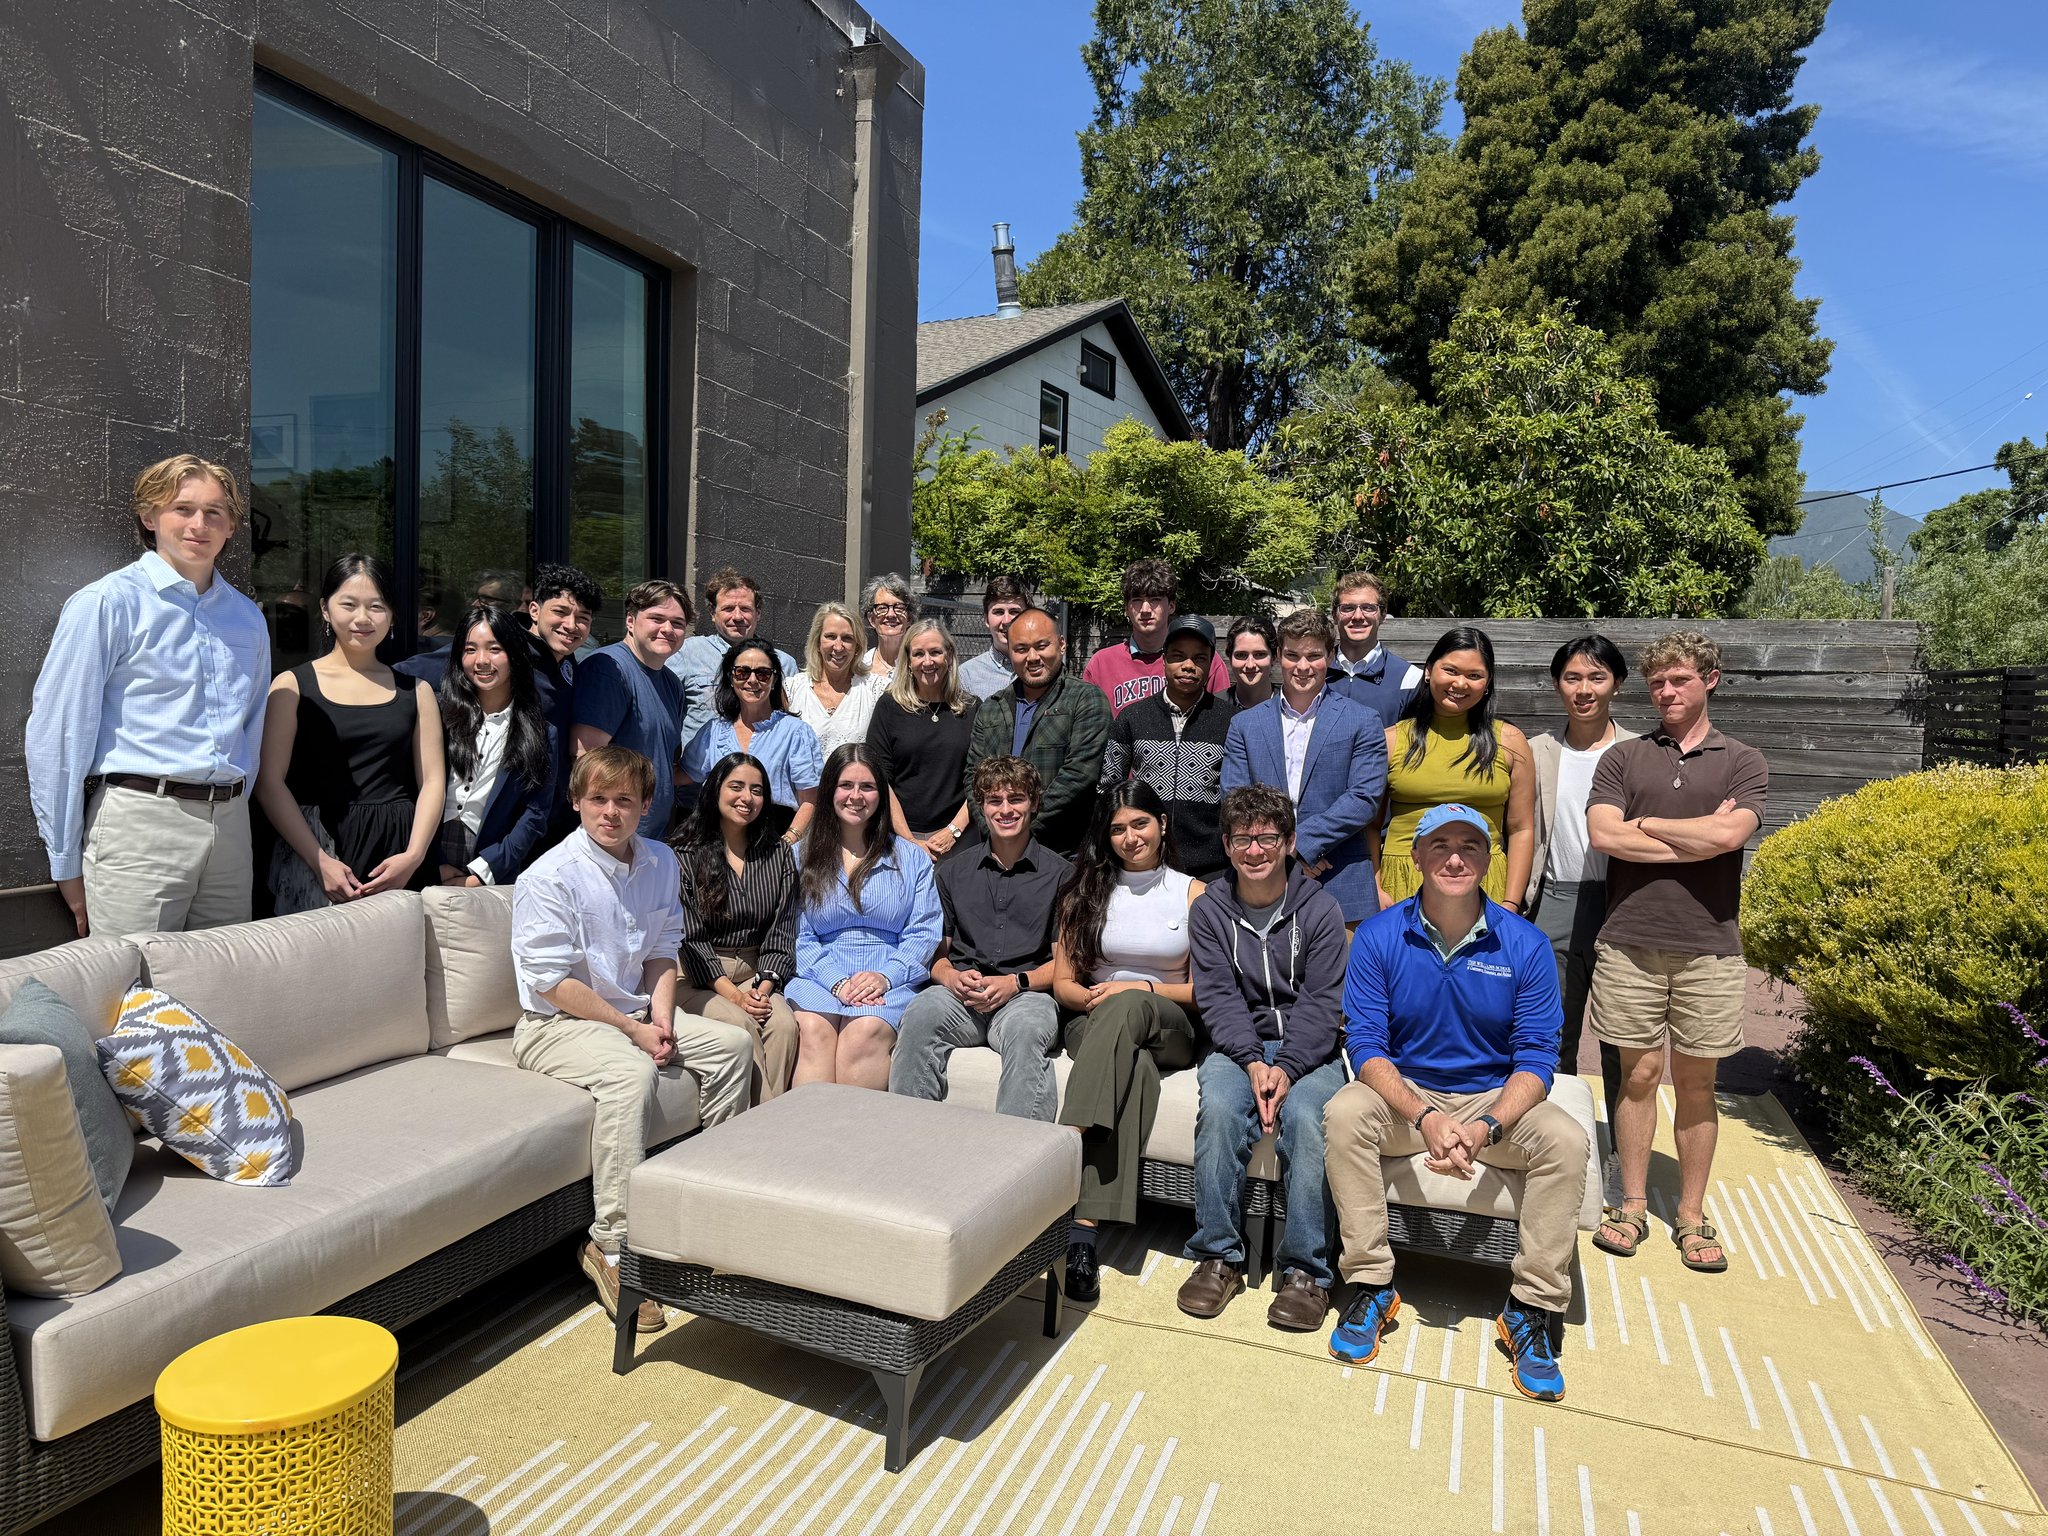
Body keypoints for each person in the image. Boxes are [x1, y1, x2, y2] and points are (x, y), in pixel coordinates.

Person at [1323, 804, 1586, 1403]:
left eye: (1470, 845)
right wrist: (1427, 1116)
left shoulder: (1525, 943)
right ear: (1415, 858)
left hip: (1493, 1097)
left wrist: (1489, 1124)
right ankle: (1370, 1284)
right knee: (1344, 1112)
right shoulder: (1378, 937)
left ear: (1488, 862)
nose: (1455, 857)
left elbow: (1538, 1057)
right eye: (1439, 845)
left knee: (1567, 1140)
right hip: (1409, 1099)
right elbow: (1365, 1045)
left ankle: (1531, 1307)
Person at [511, 745, 753, 1328]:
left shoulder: (662, 862)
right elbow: (550, 984)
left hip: (636, 1013)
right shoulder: (548, 877)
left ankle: (705, 1205)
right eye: (598, 799)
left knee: (733, 1047)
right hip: (556, 1025)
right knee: (631, 1072)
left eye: (624, 800)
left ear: (646, 805)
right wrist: (632, 1031)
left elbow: (662, 952)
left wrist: (662, 1021)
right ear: (576, 802)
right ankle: (612, 1246)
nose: (611, 812)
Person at [1585, 631, 1767, 1275]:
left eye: (1680, 680)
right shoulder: (1625, 758)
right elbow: (1605, 835)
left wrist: (1652, 825)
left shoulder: (1743, 760)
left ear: (1709, 680)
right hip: (1630, 940)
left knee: (1696, 1082)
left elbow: (1731, 833)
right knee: (1635, 1078)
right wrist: (1695, 838)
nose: (1666, 692)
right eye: (1658, 682)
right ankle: (1630, 1205)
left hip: (1710, 946)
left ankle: (1691, 1216)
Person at [27, 454, 268, 938]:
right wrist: (64, 859)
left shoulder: (247, 618)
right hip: (141, 824)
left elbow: (252, 725)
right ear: (149, 516)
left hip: (231, 828)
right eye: (182, 508)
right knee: (134, 988)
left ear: (231, 528)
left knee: (223, 982)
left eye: (215, 512)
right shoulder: (108, 604)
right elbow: (59, 733)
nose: (199, 524)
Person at [1178, 786, 1349, 1329]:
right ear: (1226, 846)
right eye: (1244, 839)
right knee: (1224, 1113)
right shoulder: (1209, 911)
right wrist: (1254, 1062)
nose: (1256, 850)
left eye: (1268, 838)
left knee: (1307, 1118)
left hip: (1310, 1047)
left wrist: (1289, 1066)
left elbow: (1324, 1003)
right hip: (1236, 1046)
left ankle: (1306, 1272)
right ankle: (1218, 1258)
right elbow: (1217, 996)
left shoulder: (1321, 910)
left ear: (1290, 842)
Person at [1053, 781, 1207, 1302]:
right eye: (1117, 829)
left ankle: (1064, 1138)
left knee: (1132, 1004)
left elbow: (1205, 988)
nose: (1129, 837)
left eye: (1139, 823)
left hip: (1170, 1024)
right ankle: (1084, 1235)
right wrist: (1101, 998)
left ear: (1162, 823)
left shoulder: (1192, 892)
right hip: (1094, 1023)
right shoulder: (1085, 892)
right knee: (1134, 1069)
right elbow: (1065, 984)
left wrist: (1138, 987)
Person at [257, 554, 445, 913]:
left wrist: (414, 855)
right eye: (349, 604)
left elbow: (433, 781)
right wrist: (319, 861)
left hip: (396, 851)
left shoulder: (416, 691)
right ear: (326, 611)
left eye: (376, 606)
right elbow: (269, 782)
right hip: (315, 847)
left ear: (392, 616)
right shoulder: (292, 686)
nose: (363, 618)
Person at [890, 756, 1070, 1119]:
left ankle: (1018, 1154)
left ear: (1034, 803)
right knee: (920, 1013)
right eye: (994, 801)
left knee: (1027, 1029)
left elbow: (1064, 965)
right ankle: (908, 1138)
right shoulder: (952, 872)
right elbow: (936, 955)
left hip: (1026, 995)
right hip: (962, 997)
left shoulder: (1062, 874)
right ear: (981, 807)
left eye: (1016, 799)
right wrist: (952, 978)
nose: (1006, 810)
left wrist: (1015, 983)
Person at [1523, 635, 1636, 1131]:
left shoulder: (1641, 751)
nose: (1584, 689)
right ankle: (1559, 1142)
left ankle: (1618, 1155)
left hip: (1623, 904)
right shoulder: (1536, 752)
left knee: (1621, 1038)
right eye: (1572, 677)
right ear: (1556, 684)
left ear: (1617, 684)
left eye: (1596, 677)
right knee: (1553, 1032)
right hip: (1553, 901)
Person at [784, 744, 944, 1090]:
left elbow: (924, 932)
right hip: (819, 974)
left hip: (890, 976)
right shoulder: (801, 856)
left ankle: (858, 1143)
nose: (856, 796)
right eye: (846, 785)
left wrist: (885, 976)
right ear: (829, 791)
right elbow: (796, 932)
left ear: (881, 795)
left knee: (864, 1032)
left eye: (867, 787)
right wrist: (837, 981)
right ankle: (805, 1141)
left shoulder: (911, 858)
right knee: (812, 1029)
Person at [1220, 609, 1387, 925]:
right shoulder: (1244, 725)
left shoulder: (1363, 720)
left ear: (1332, 656)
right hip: (1262, 879)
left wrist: (1298, 846)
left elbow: (1364, 799)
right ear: (1279, 655)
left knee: (1340, 975)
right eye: (1293, 655)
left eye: (1314, 656)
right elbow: (1235, 798)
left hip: (1339, 878)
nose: (1303, 667)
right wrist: (1279, 853)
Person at [1376, 626, 1535, 915]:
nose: (1460, 683)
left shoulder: (1511, 741)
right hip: (1404, 881)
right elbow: (1370, 826)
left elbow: (1521, 828)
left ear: (1487, 683)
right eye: (1450, 671)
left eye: (1474, 676)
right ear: (1428, 671)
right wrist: (1375, 886)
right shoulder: (1392, 739)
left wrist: (1511, 902)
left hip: (1484, 884)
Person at [672, 752, 802, 1101]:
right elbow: (690, 939)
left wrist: (764, 987)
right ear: (715, 789)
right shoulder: (682, 853)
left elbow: (783, 928)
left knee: (784, 1025)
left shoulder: (778, 853)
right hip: (697, 976)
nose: (747, 797)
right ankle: (755, 1128)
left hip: (756, 973)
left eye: (757, 790)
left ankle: (765, 1123)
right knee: (742, 1025)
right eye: (736, 786)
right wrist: (735, 996)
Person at [962, 607, 1111, 856]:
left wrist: (1021, 829)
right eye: (1021, 649)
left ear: (1061, 644)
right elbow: (972, 778)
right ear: (1009, 652)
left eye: (1041, 646)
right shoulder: (991, 708)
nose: (1032, 657)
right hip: (998, 854)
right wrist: (996, 831)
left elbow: (1080, 775)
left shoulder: (1085, 700)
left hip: (1064, 854)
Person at [1098, 615, 1237, 879]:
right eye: (1178, 656)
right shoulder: (1132, 717)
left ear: (1211, 663)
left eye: (1199, 658)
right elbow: (1108, 788)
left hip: (1211, 867)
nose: (1188, 666)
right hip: (1143, 862)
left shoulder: (1230, 722)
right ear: (1164, 659)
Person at [435, 603, 557, 886]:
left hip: (492, 861)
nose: (481, 660)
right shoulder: (437, 715)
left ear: (514, 654)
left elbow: (535, 815)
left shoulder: (541, 732)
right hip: (431, 852)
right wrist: (431, 862)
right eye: (470, 649)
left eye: (494, 648)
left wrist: (482, 872)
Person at [570, 579, 692, 838]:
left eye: (677, 623)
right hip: (611, 838)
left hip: (648, 837)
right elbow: (585, 758)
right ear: (630, 621)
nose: (667, 629)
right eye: (656, 618)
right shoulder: (608, 669)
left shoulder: (671, 684)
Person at [678, 639, 821, 845]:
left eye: (762, 674)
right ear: (731, 677)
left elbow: (810, 800)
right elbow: (682, 775)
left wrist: (787, 842)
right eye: (742, 672)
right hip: (719, 845)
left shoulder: (796, 732)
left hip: (773, 841)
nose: (752, 680)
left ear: (773, 681)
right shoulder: (714, 731)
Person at [864, 618, 979, 859]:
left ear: (948, 656)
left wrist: (953, 832)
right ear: (908, 661)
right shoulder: (889, 707)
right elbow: (880, 778)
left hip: (961, 839)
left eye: (935, 652)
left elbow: (982, 778)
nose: (927, 662)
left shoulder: (971, 708)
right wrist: (909, 840)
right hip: (899, 838)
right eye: (918, 654)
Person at [668, 567, 799, 749]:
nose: (737, 617)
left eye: (745, 609)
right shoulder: (687, 653)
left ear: (758, 613)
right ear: (713, 614)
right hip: (701, 773)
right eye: (728, 609)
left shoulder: (785, 663)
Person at [1080, 557, 1229, 715]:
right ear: (1126, 608)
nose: (1145, 609)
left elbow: (1222, 718)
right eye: (1137, 600)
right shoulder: (1101, 664)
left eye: (1154, 600)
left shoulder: (1203, 661)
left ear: (1171, 605)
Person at [786, 601, 885, 758]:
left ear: (857, 646)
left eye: (847, 638)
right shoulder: (792, 689)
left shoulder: (876, 690)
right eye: (830, 637)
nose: (838, 647)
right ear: (817, 642)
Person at [1325, 569, 1422, 727]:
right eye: (1348, 608)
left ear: (1382, 615)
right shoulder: (1314, 672)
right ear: (1335, 615)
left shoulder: (1409, 679)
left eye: (1368, 608)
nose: (1357, 616)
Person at [958, 575, 1034, 699]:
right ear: (986, 619)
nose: (1006, 621)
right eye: (998, 612)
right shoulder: (966, 676)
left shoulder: (1044, 669)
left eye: (1014, 612)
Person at [858, 573, 919, 682]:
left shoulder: (920, 666)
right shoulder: (859, 668)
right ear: (872, 619)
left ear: (909, 618)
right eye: (882, 608)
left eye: (899, 607)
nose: (891, 614)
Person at [1222, 614, 1278, 710]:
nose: (1250, 665)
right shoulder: (1212, 707)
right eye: (1241, 655)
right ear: (1230, 657)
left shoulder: (1290, 707)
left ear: (1274, 657)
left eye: (1259, 654)